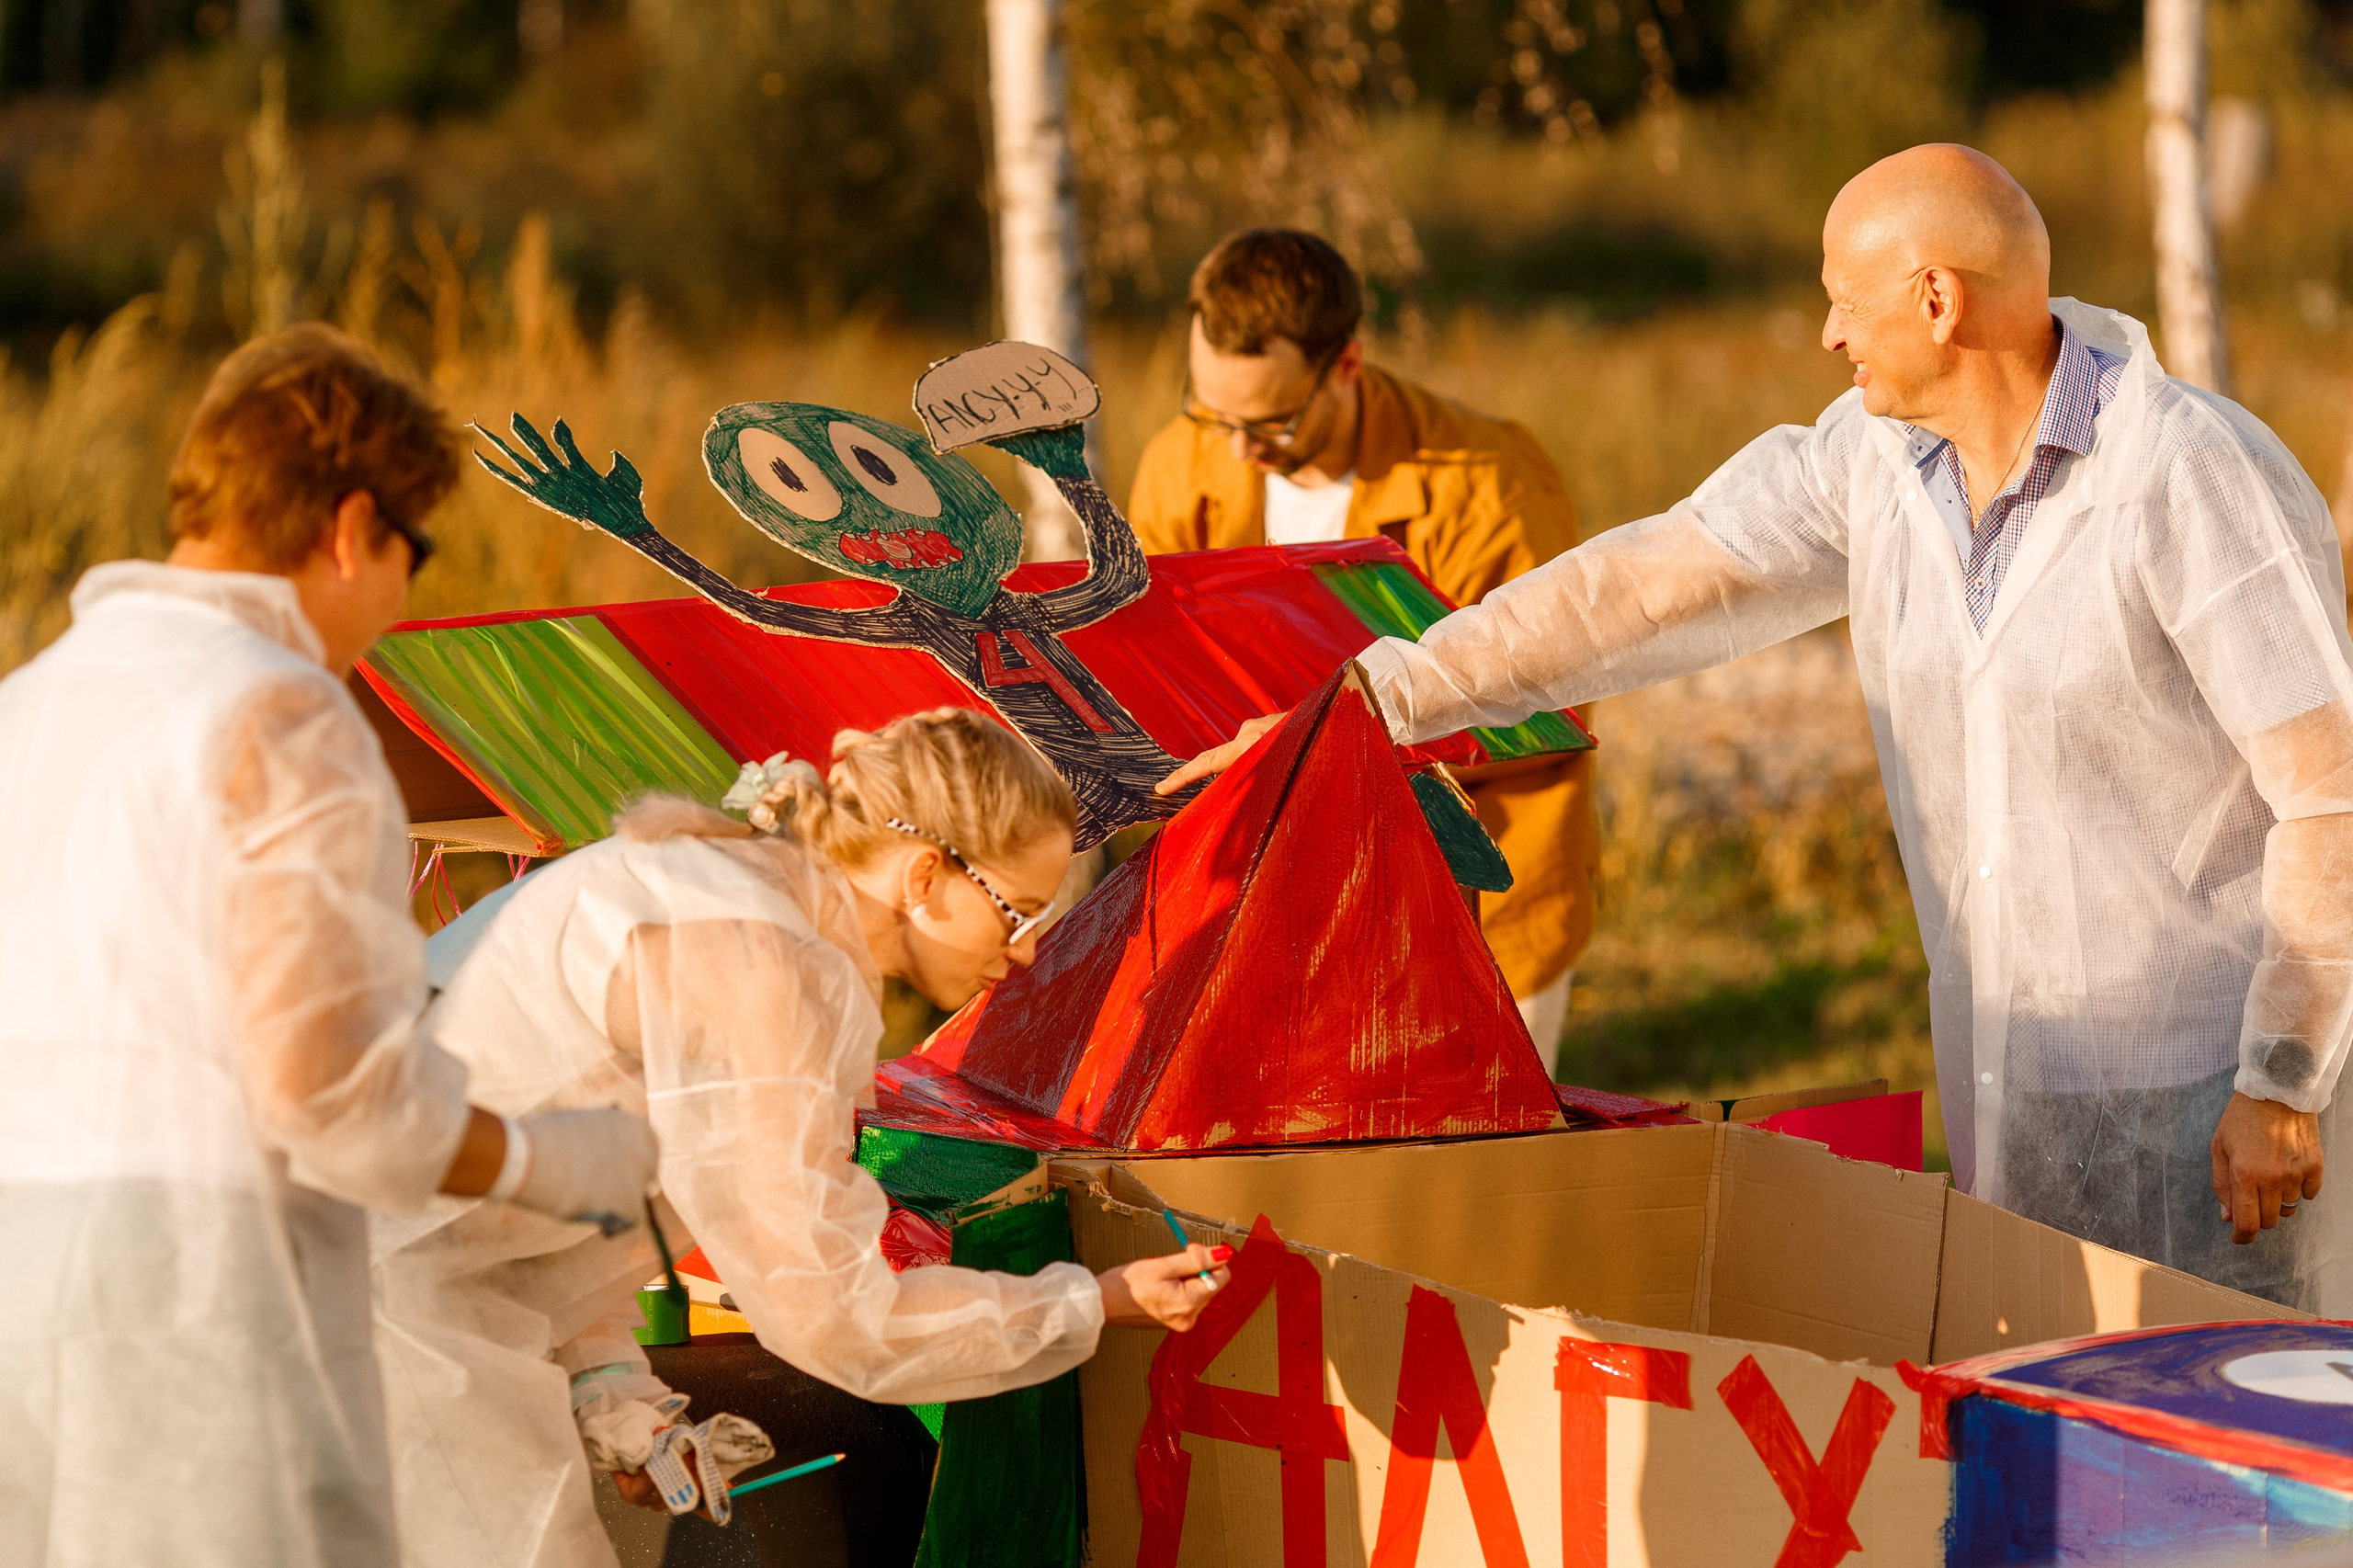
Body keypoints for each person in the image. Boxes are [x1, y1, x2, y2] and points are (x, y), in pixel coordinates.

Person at [1166, 146, 2353, 1309]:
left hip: (2212, 1093)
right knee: (2047, 1398)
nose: (1828, 334)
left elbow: (2330, 793)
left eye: (1844, 299)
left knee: (2240, 1415)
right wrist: (1371, 699)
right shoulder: (1876, 460)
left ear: (1937, 300)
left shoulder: (2185, 474)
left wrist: (2281, 1079)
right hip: (2018, 1074)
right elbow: (1636, 588)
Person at [0, 324, 660, 1567]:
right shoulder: (281, 710)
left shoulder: (32, 700)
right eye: (418, 552)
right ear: (355, 526)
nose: (405, 598)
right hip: (206, 1341)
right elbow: (335, 1098)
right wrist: (560, 1158)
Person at [373, 708, 1231, 1568]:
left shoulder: (718, 892)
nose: (1025, 954)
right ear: (925, 875)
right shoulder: (766, 967)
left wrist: (619, 1404)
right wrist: (1091, 1302)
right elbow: (830, 1311)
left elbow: (545, 1212)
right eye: (1017, 913)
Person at [1127, 228, 1597, 1069]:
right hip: (1260, 903)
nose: (1236, 449)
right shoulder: (1180, 463)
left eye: (1269, 423)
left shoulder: (1488, 483)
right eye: (1211, 413)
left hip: (1470, 893)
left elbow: (1541, 711)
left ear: (1346, 362)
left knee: (1476, 1144)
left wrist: (1325, 749)